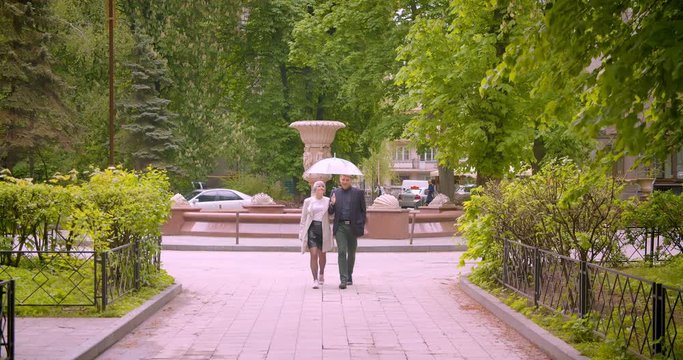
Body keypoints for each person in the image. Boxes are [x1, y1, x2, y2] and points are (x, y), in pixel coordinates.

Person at [328, 174, 367, 289]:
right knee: (341, 252)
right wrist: (332, 203)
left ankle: (349, 274)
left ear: (350, 181)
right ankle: (343, 279)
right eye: (343, 179)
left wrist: (360, 224)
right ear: (340, 180)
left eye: (347, 180)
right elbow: (330, 212)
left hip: (353, 227)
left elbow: (363, 211)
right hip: (340, 227)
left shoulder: (358, 193)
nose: (344, 182)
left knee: (352, 253)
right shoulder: (335, 193)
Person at [299, 180, 334, 289]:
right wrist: (301, 232)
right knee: (313, 254)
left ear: (324, 189)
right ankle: (314, 279)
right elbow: (303, 218)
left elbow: (332, 217)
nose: (320, 187)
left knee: (322, 254)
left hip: (323, 228)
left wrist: (333, 205)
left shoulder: (328, 201)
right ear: (315, 188)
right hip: (312, 228)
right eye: (318, 185)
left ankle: (321, 273)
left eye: (322, 186)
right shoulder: (308, 201)